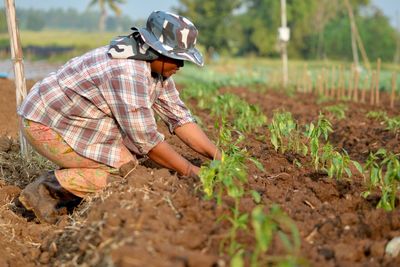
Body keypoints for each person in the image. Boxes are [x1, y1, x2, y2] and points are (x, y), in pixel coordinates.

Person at [17, 10, 221, 224]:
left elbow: (180, 118)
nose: (180, 66)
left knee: (137, 161)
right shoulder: (128, 71)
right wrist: (191, 171)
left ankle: (74, 186)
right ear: (156, 51)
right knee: (128, 174)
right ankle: (47, 190)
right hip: (49, 122)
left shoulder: (156, 69)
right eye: (176, 58)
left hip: (81, 120)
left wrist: (219, 157)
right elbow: (147, 140)